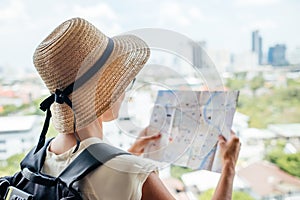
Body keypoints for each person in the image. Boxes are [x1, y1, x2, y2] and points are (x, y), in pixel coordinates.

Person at [33, 17, 241, 200]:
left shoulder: (38, 159)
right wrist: (229, 168)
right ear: (110, 90)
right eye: (124, 83)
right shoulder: (135, 175)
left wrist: (129, 153)